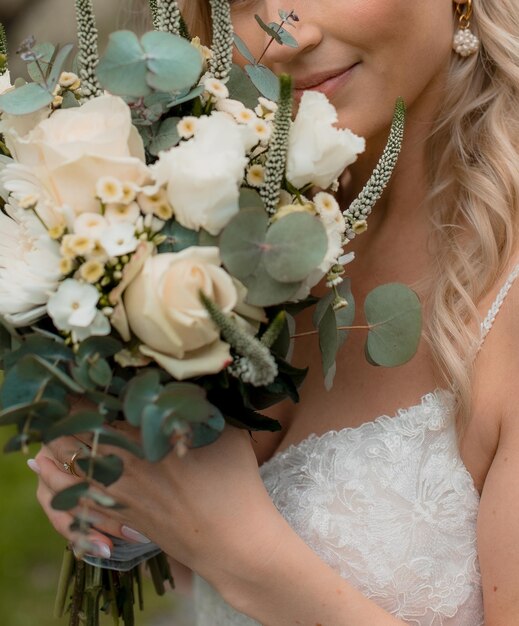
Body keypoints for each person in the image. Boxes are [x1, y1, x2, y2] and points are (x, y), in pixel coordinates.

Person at [27, 0, 519, 623]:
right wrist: (134, 502)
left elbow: (235, 548)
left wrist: (237, 549)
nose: (285, 35)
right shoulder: (230, 221)